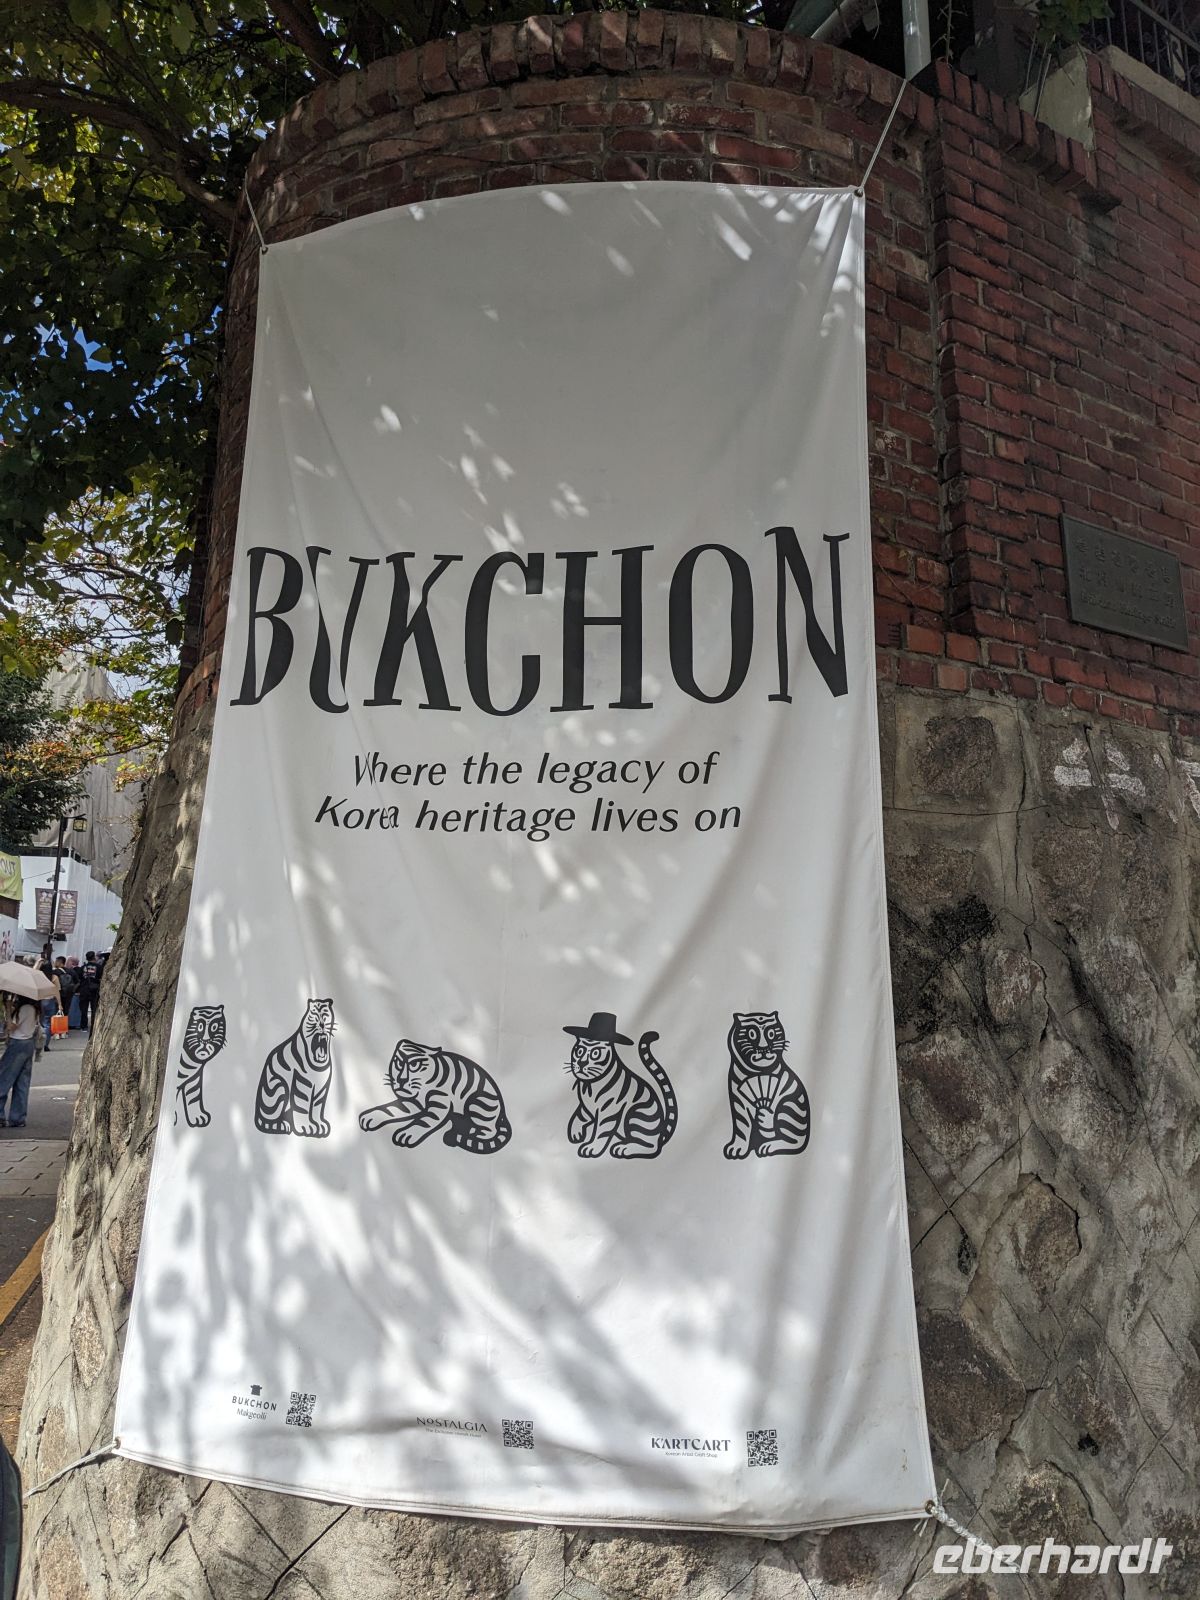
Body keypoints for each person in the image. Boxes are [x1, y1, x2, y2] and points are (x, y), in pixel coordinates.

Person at [0, 989, 40, 1128]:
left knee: (4, 1078)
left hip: (18, 1043)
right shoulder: (35, 1009)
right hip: (28, 1043)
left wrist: (8, 1010)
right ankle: (18, 1117)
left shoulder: (24, 1008)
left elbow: (11, 1027)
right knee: (22, 1082)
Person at [37, 954, 63, 1051]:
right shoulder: (54, 977)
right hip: (50, 1001)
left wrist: (38, 962)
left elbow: (33, 971)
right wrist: (60, 1004)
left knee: (39, 1023)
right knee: (48, 1024)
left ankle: (37, 1043)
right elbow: (57, 992)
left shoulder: (38, 976)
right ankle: (46, 1045)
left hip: (39, 1001)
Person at [77, 951, 102, 1033]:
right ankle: (93, 1026)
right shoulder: (99, 967)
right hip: (94, 990)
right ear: (94, 957)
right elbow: (101, 977)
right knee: (94, 1009)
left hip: (84, 990)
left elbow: (79, 978)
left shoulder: (83, 967)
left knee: (84, 1009)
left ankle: (84, 1026)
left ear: (87, 958)